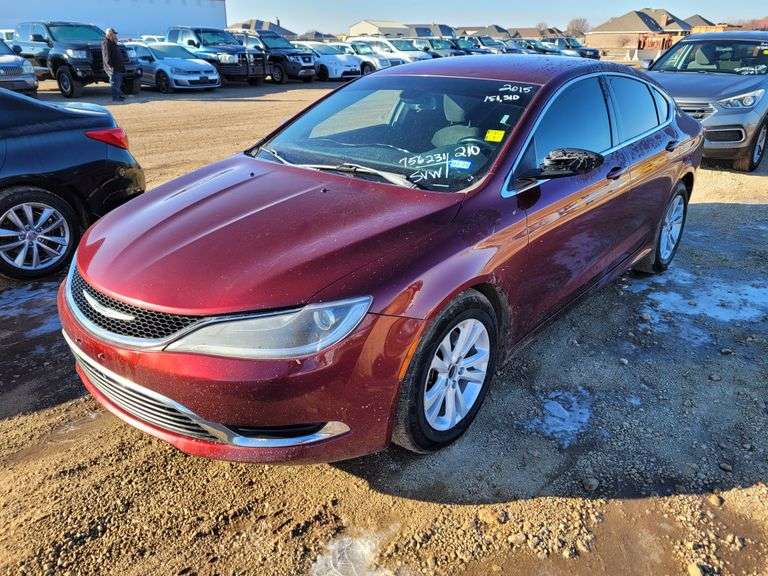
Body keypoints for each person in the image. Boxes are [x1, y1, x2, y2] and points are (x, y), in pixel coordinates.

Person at [101, 28, 125, 102]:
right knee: (115, 83)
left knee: (118, 82)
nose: (115, 35)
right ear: (109, 34)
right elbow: (106, 56)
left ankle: (119, 96)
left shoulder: (113, 42)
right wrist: (110, 67)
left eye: (114, 34)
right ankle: (116, 98)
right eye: (113, 34)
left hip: (118, 67)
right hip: (113, 67)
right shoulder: (106, 43)